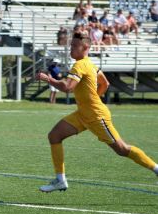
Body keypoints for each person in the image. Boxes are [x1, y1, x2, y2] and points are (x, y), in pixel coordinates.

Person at [35, 32, 158, 193]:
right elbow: (104, 83)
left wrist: (47, 79)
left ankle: (156, 168)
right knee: (54, 136)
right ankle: (60, 180)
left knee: (122, 149)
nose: (71, 48)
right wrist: (93, 99)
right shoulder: (91, 65)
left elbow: (67, 88)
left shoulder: (80, 65)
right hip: (83, 114)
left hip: (96, 116)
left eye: (74, 46)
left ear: (85, 47)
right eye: (71, 45)